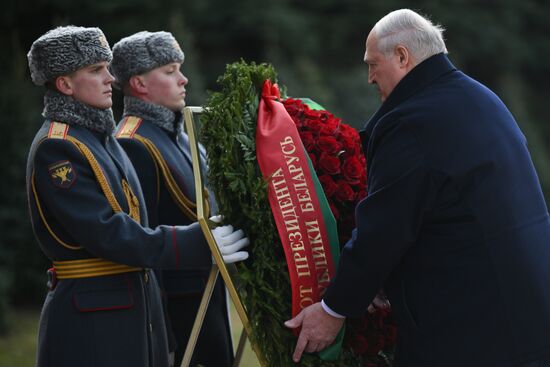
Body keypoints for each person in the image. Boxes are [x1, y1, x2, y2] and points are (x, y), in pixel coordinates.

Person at [285, 9, 550, 367]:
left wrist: (334, 309)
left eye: (372, 63)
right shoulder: (479, 98)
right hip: (525, 314)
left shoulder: (412, 121)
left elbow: (385, 229)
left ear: (401, 56)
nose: (368, 78)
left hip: (474, 331)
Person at [26, 26, 248, 367]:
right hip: (93, 317)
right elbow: (108, 233)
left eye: (107, 67)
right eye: (95, 70)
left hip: (133, 306)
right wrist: (197, 242)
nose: (111, 78)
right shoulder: (59, 147)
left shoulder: (98, 138)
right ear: (65, 84)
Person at [109, 31, 237, 367]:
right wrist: (161, 332)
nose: (183, 79)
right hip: (175, 307)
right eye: (169, 71)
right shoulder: (132, 142)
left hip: (205, 291)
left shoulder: (179, 136)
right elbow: (143, 240)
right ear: (138, 83)